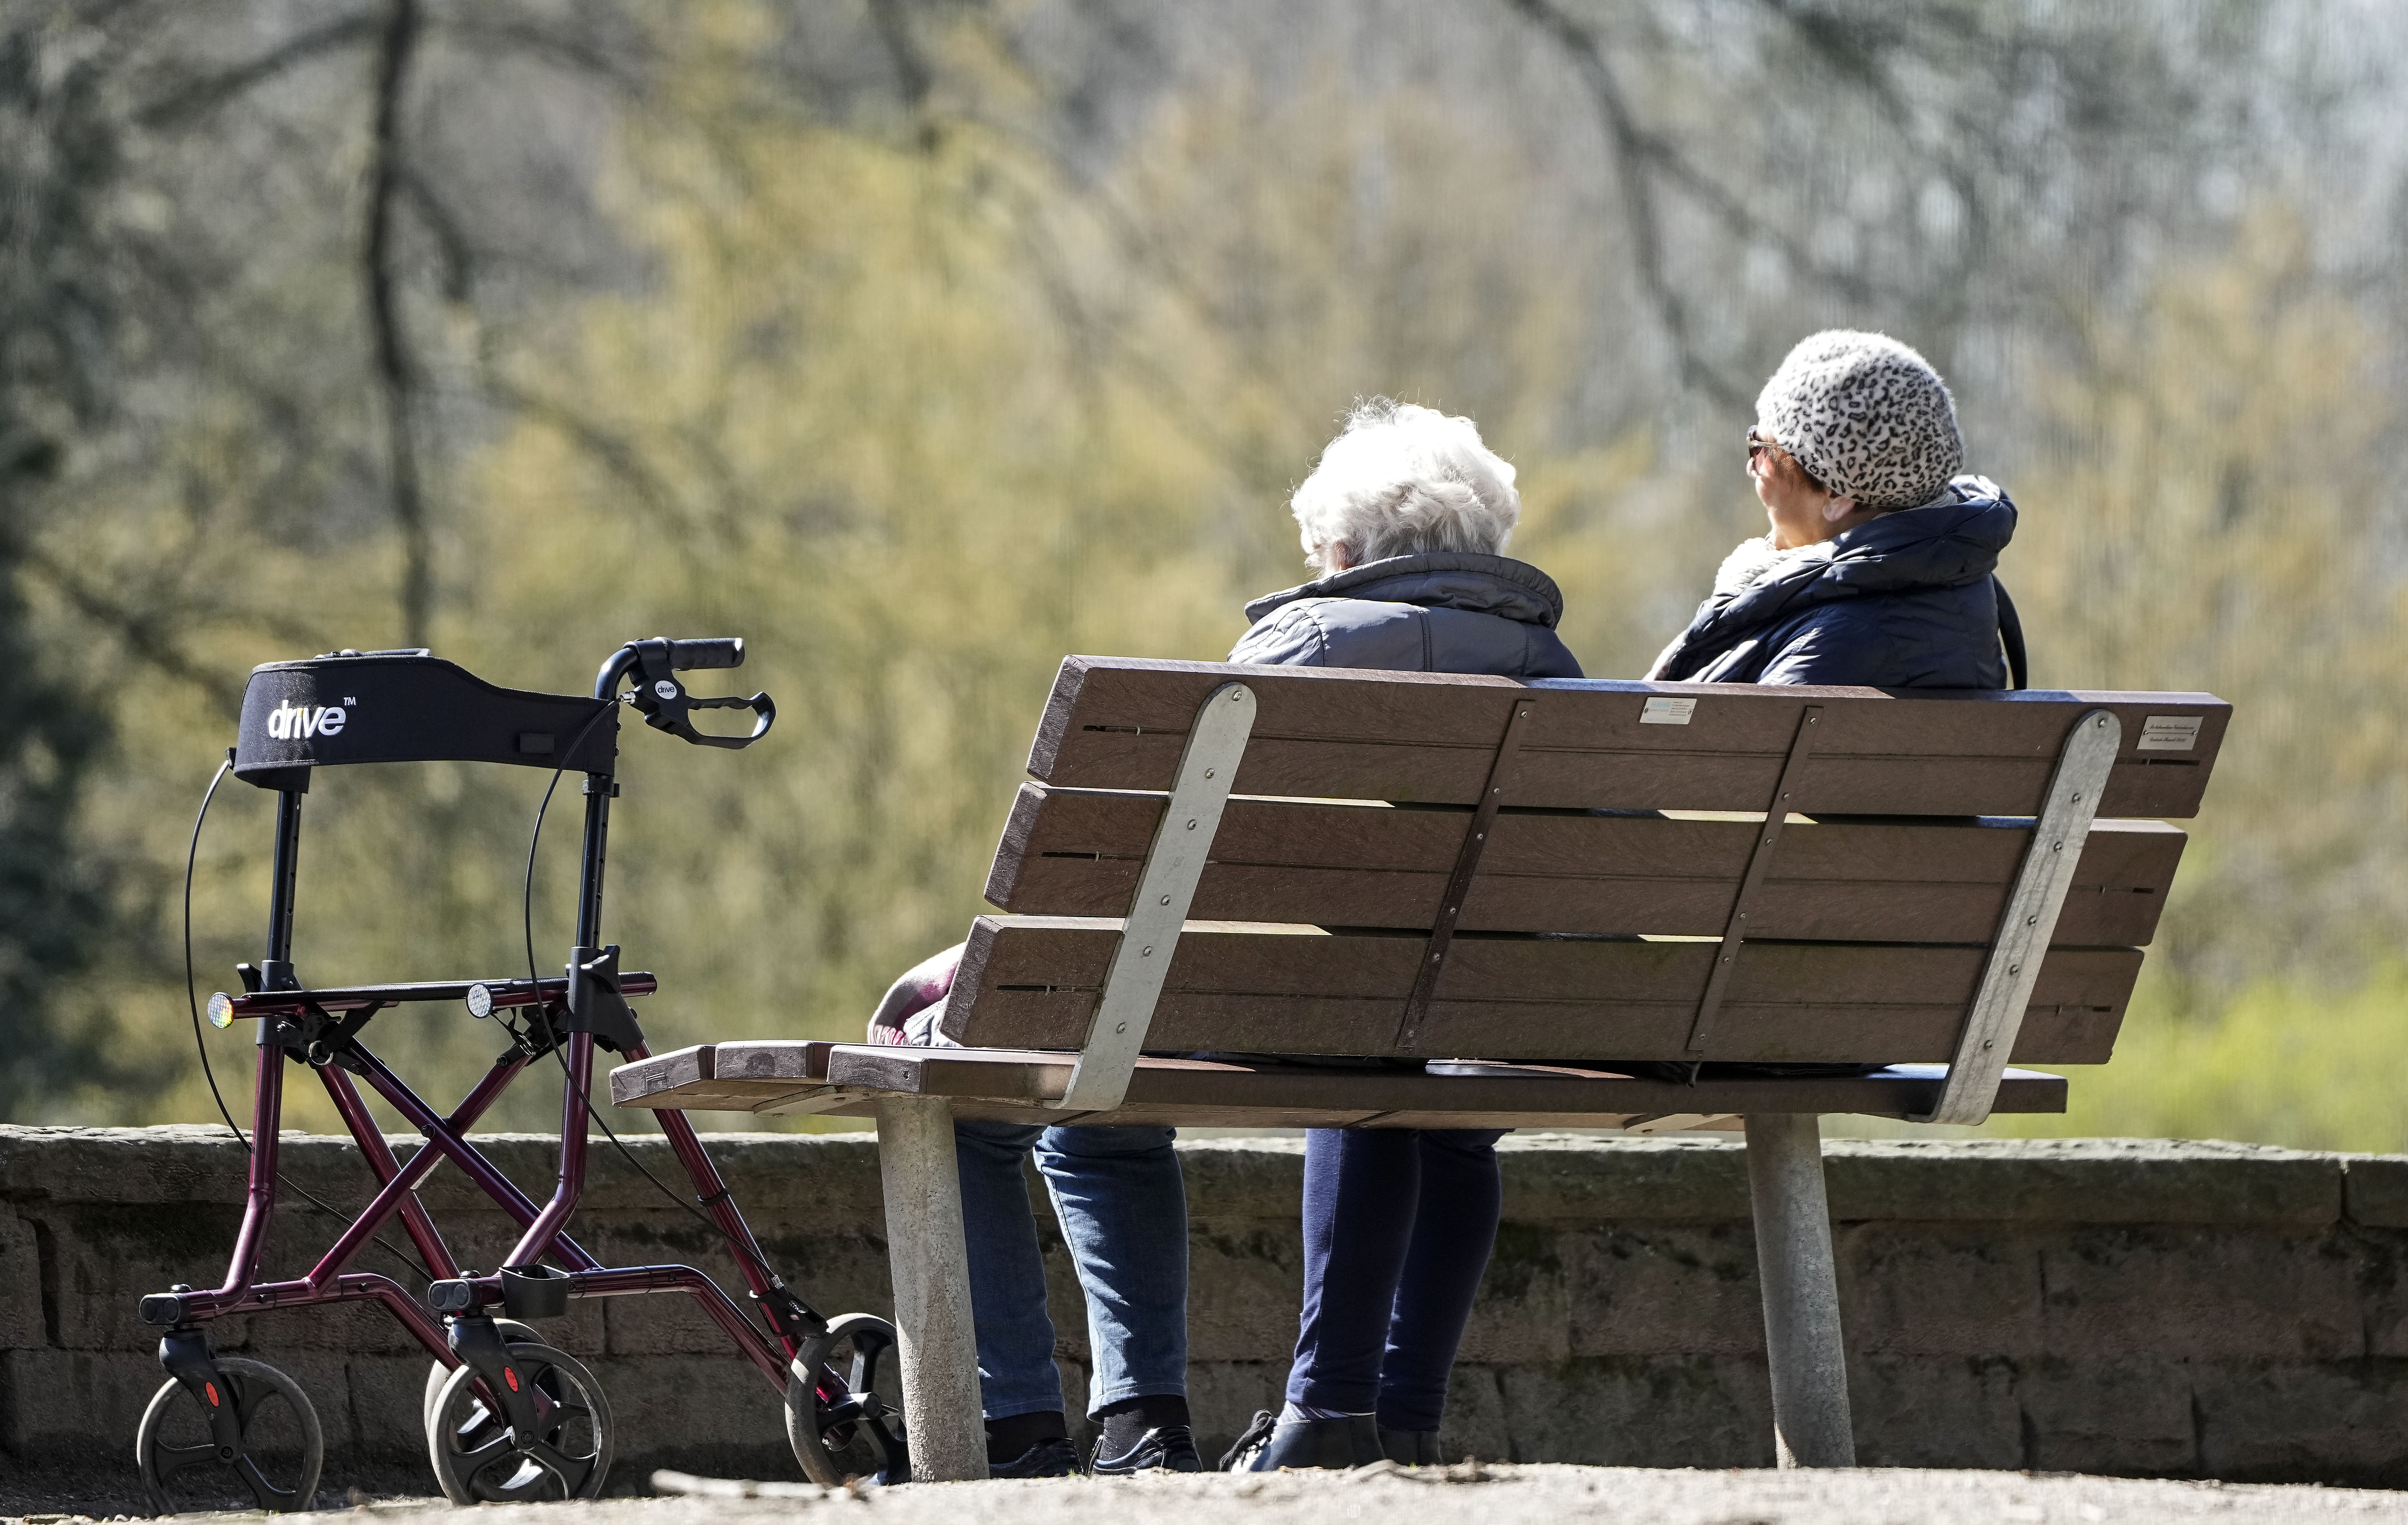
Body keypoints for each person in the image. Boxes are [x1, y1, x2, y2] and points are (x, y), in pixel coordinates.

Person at [1221, 398, 1582, 1472]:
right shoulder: (1556, 670)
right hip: (1502, 1015)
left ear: (1339, 553)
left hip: (1302, 1006)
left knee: (1362, 1036)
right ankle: (1405, 1411)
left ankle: (1327, 1406)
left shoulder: (1297, 645)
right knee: (1442, 1098)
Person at [865, 945, 1199, 1478]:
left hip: (1085, 985)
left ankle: (1017, 1428)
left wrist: (908, 991)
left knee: (955, 1117)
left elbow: (1057, 923)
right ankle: (1146, 1428)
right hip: (1206, 1007)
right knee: (1108, 1130)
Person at [1646, 329, 2015, 688]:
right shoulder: (1954, 584)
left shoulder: (1830, 642)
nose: (1751, 466)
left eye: (1763, 452)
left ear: (1839, 497)